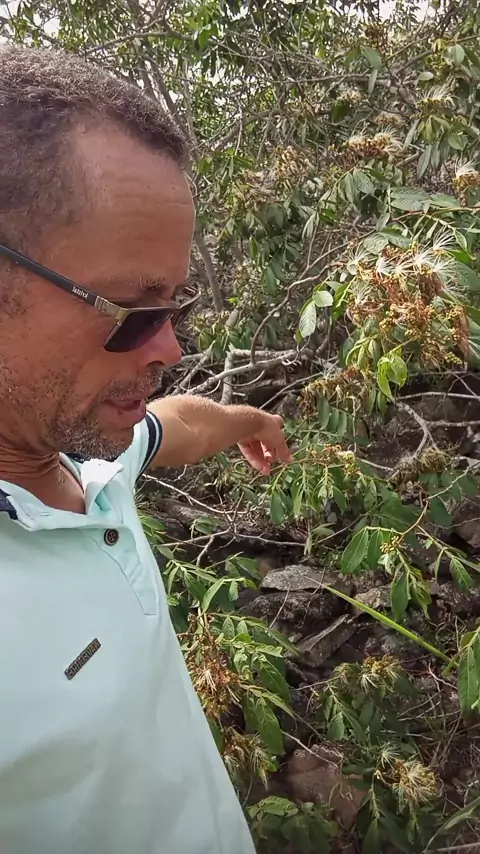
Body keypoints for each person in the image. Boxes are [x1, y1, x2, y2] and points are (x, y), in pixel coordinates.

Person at [0, 46, 293, 854]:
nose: (168, 346)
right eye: (132, 311)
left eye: (174, 307)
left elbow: (176, 425)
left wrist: (248, 421)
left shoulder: (81, 471)